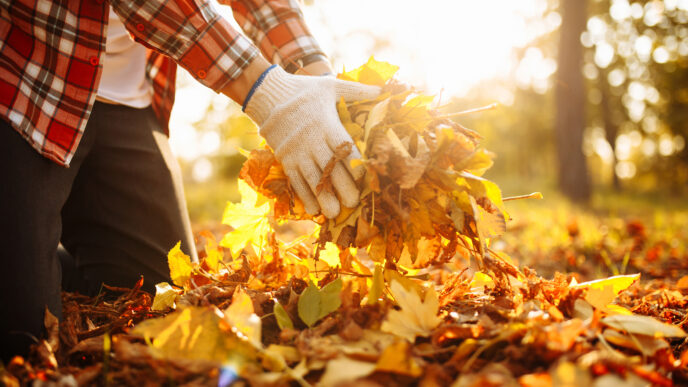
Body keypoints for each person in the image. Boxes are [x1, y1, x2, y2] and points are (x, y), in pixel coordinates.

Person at [0, 0, 379, 361]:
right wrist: (267, 94)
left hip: (126, 101)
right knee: (26, 341)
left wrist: (315, 79)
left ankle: (37, 258)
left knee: (157, 302)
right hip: (23, 80)